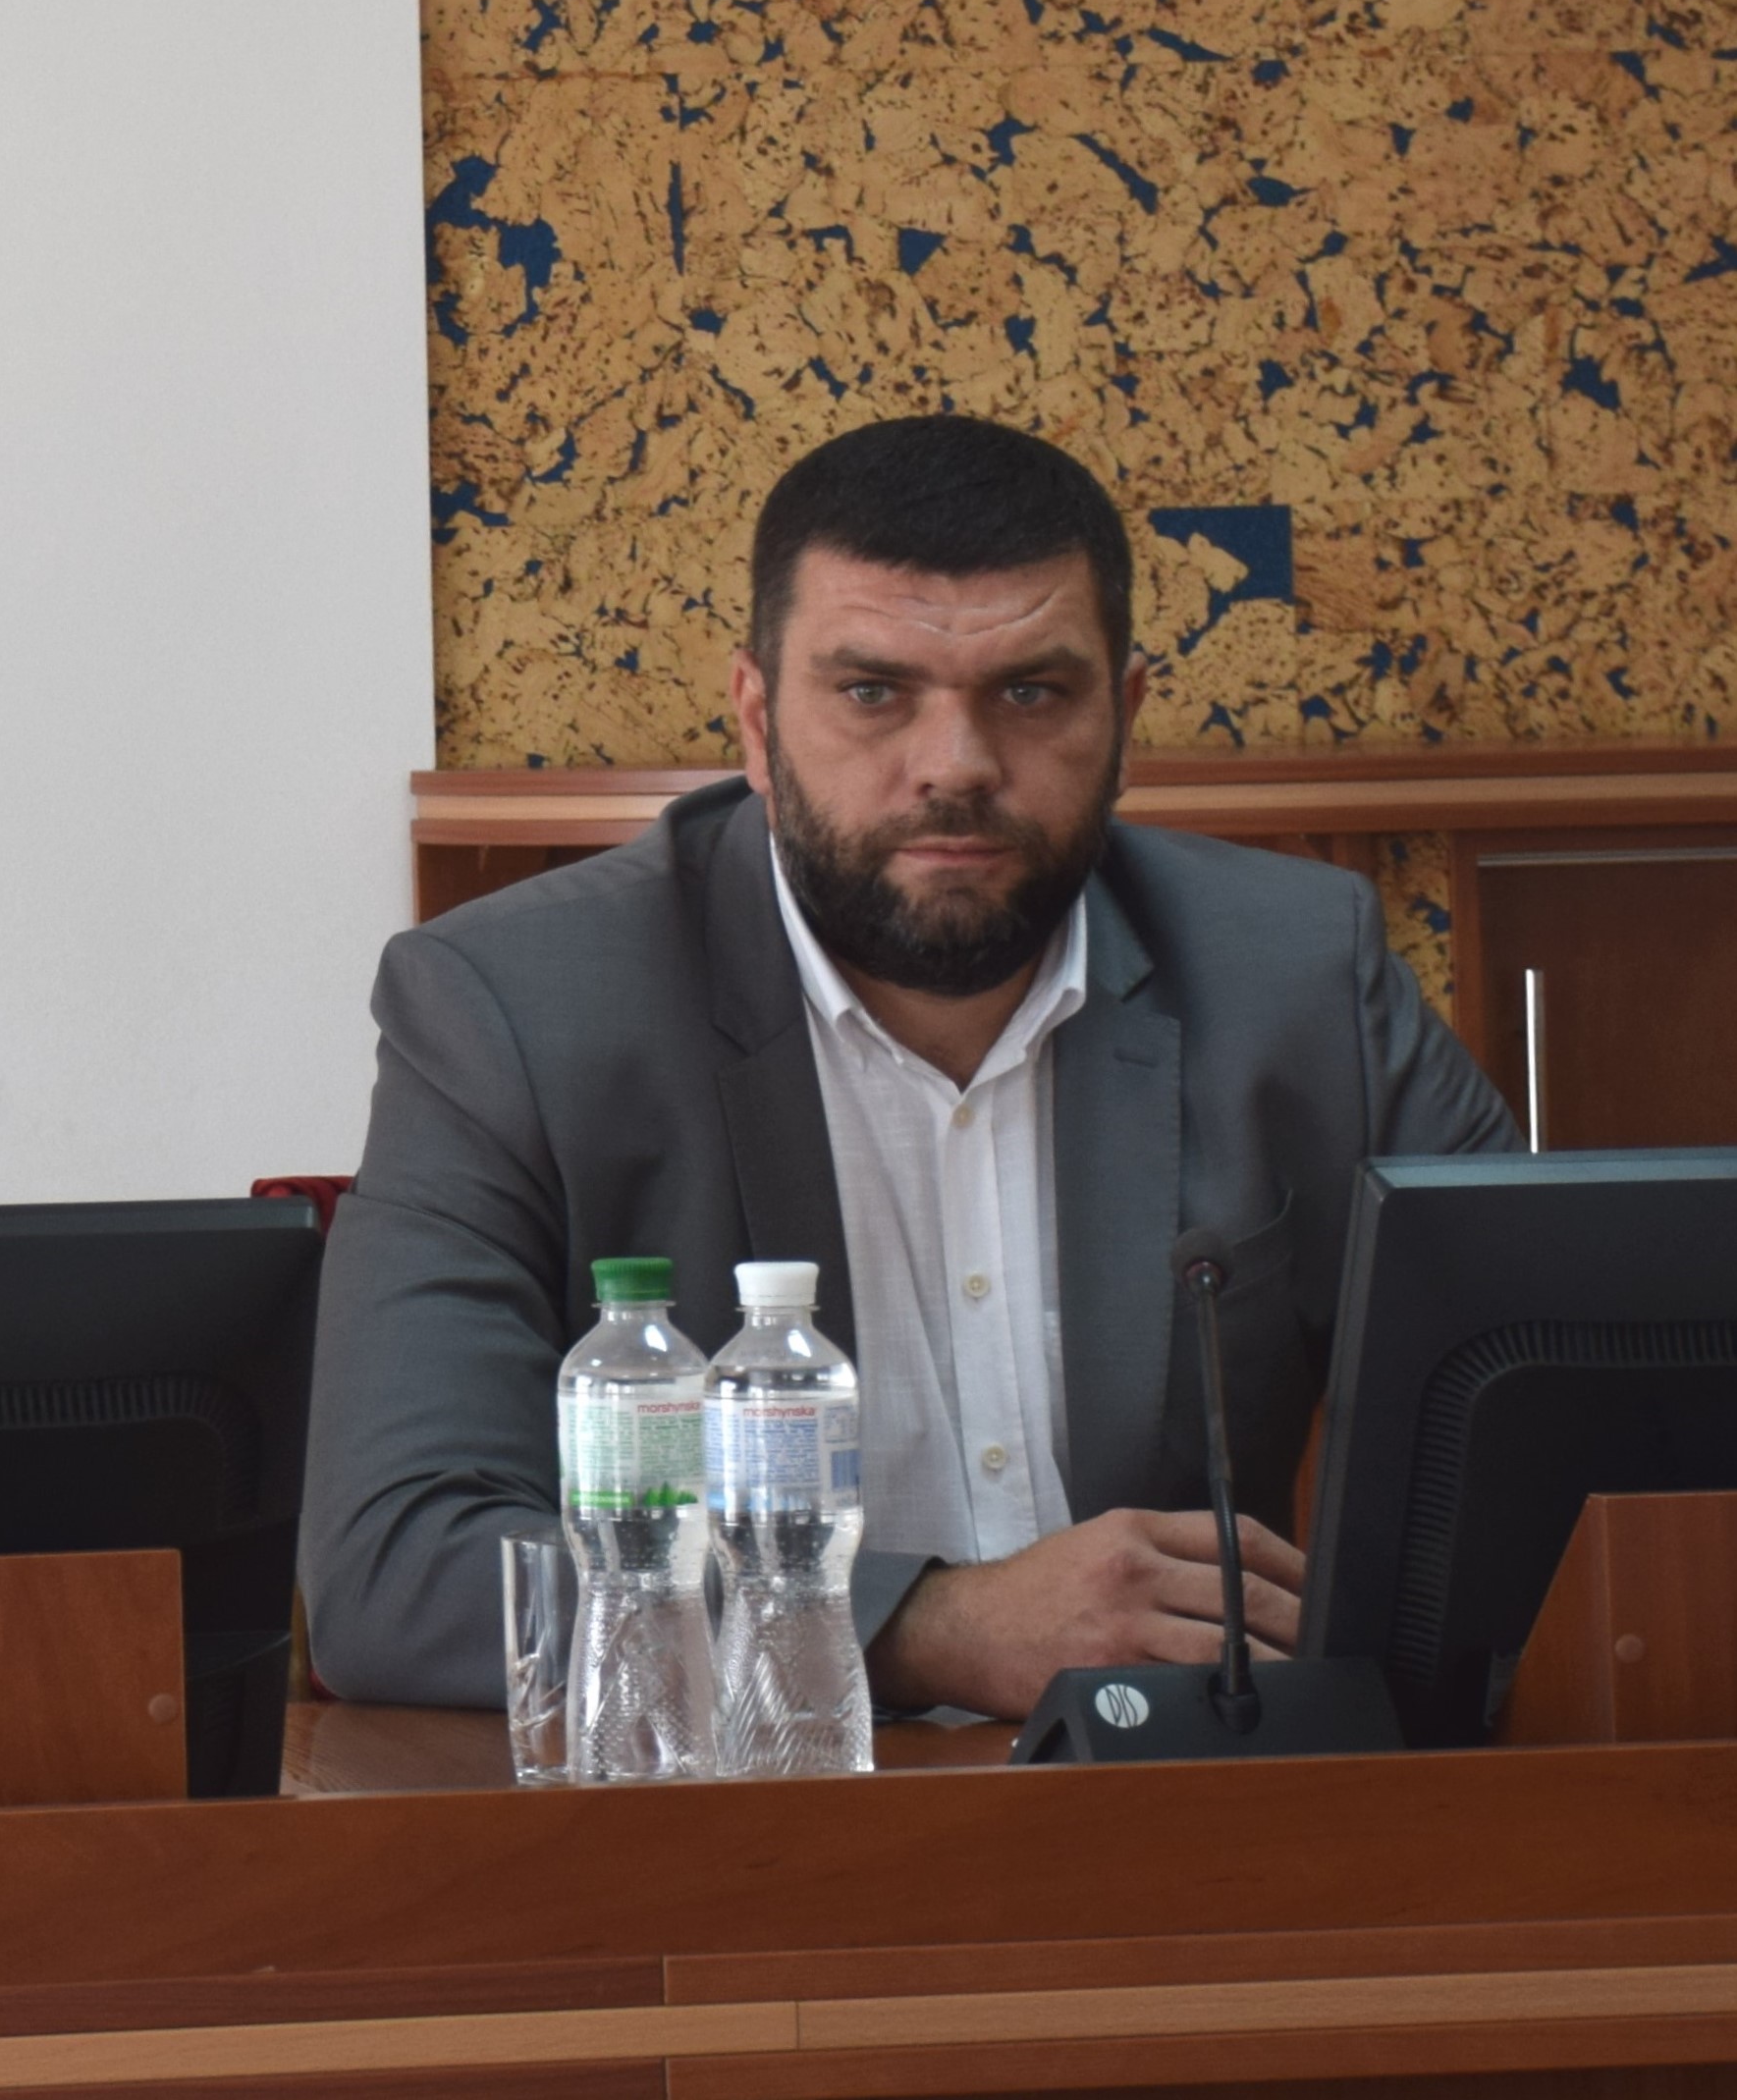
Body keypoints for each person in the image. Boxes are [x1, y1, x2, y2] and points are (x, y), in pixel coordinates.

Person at [300, 416, 1514, 1722]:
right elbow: (394, 1569)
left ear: (1124, 718)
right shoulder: (514, 1008)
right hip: (740, 1811)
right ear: (757, 722)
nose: (957, 767)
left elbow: (1559, 1404)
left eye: (1032, 693)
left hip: (1181, 1788)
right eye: (874, 693)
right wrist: (929, 1627)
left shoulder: (1296, 975)